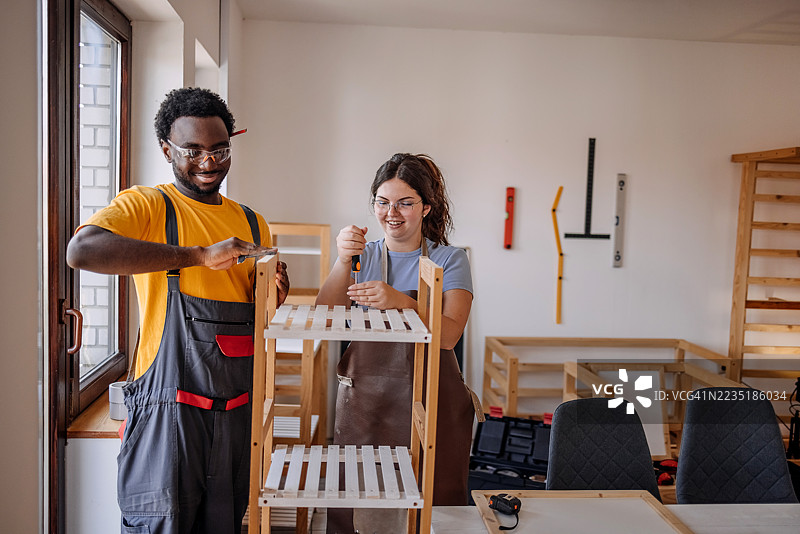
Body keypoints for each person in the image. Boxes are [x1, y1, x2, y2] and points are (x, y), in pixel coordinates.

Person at [66, 87, 289, 534]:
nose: (209, 162)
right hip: (167, 414)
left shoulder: (251, 221)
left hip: (234, 412)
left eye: (220, 149)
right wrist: (197, 256)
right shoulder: (148, 205)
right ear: (167, 149)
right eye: (193, 150)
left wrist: (274, 293)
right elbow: (83, 250)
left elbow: (251, 309)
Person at [316, 153, 476, 534]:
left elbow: (450, 333)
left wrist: (401, 301)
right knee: (359, 498)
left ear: (426, 207)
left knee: (436, 503)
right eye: (383, 202)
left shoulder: (450, 260)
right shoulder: (361, 257)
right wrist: (341, 260)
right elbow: (325, 318)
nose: (393, 212)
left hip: (433, 401)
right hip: (366, 402)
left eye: (405, 203)